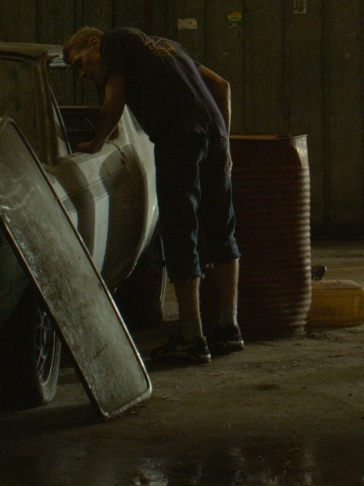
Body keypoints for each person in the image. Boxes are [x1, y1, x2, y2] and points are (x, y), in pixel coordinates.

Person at [65, 26, 240, 364]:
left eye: (80, 64)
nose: (84, 74)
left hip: (178, 137)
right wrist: (225, 143)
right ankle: (230, 329)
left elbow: (113, 100)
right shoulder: (168, 47)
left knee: (180, 233)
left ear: (94, 43)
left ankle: (192, 338)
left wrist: (97, 144)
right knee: (221, 228)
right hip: (214, 135)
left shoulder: (115, 39)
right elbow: (221, 86)